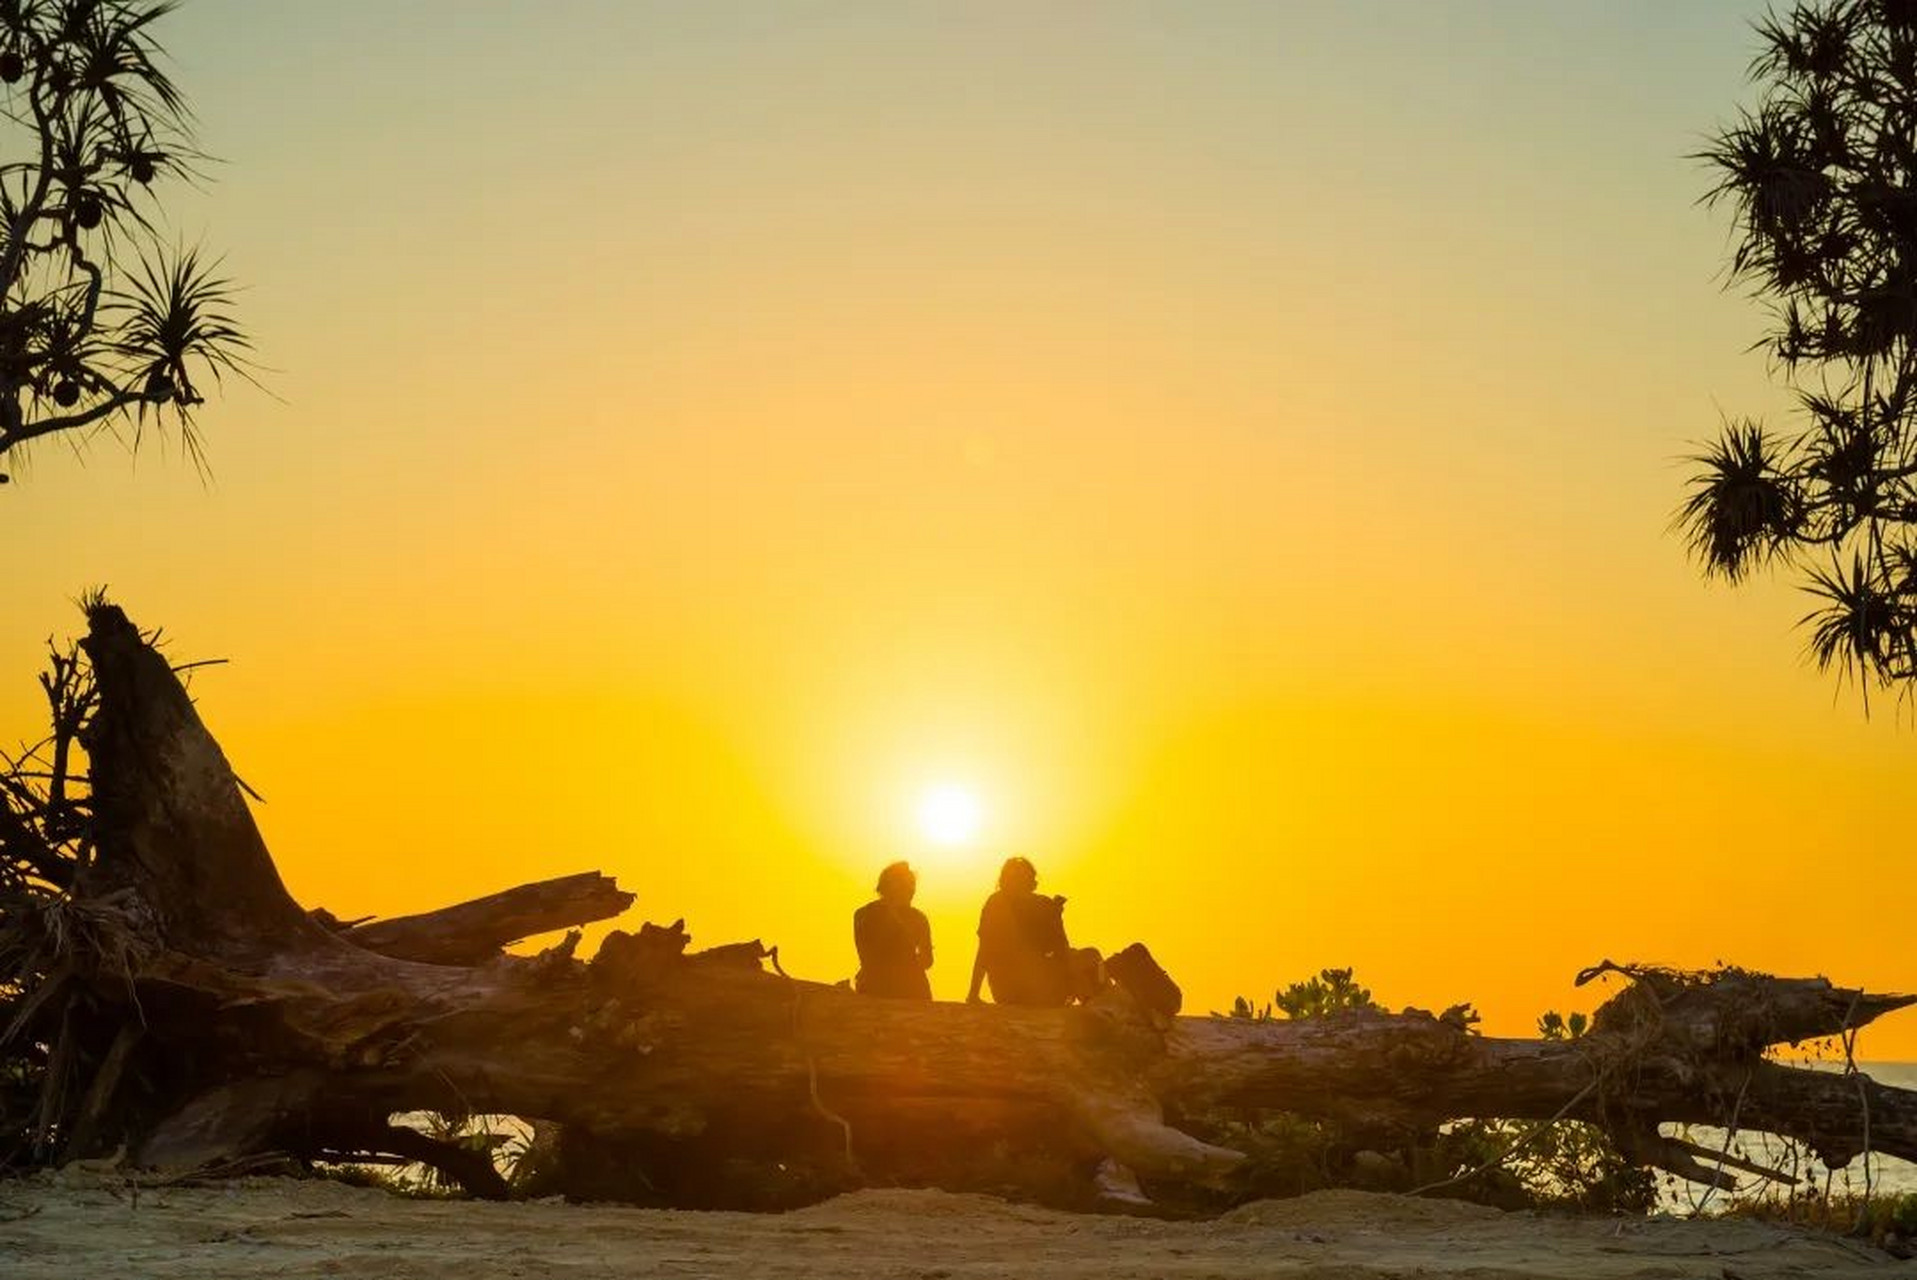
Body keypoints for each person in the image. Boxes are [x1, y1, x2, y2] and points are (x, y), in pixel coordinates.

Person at [965, 856, 1101, 1006]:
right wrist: (973, 993)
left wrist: (1054, 918)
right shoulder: (997, 905)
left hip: (1035, 982)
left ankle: (1092, 1003)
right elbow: (985, 950)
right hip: (1014, 990)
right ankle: (1091, 1003)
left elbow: (1059, 949)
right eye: (1017, 878)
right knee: (1085, 959)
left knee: (1091, 956)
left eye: (1025, 878)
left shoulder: (1042, 904)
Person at [852, 861, 934, 999]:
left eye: (912, 886)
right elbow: (867, 958)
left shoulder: (919, 918)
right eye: (905, 886)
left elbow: (928, 960)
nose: (911, 891)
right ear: (888, 887)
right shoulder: (864, 915)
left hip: (913, 991)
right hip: (877, 990)